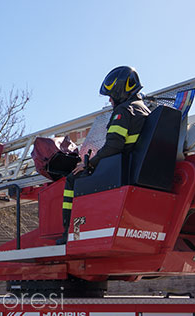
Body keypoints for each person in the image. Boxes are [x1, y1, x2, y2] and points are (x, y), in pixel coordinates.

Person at [58, 66, 150, 244]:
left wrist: (89, 164)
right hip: (130, 168)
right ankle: (73, 233)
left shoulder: (124, 111)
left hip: (118, 170)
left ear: (119, 91)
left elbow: (113, 146)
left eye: (111, 95)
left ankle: (71, 233)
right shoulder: (144, 110)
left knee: (72, 179)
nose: (109, 99)